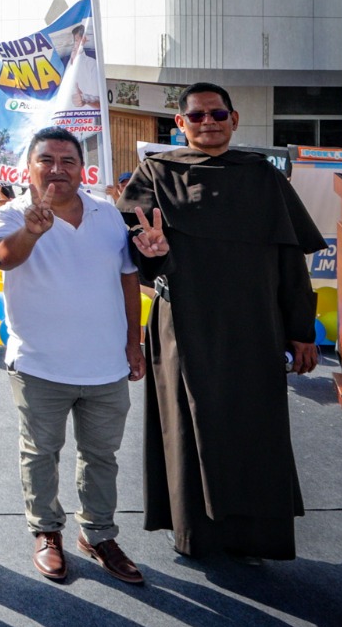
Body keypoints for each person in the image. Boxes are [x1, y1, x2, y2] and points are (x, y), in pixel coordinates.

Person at [118, 82, 325, 562]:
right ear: (181, 125)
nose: (207, 122)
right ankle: (195, 533)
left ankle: (255, 537)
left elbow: (290, 261)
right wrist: (150, 250)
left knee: (256, 429)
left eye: (217, 114)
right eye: (197, 116)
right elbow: (134, 245)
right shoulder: (156, 172)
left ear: (234, 120)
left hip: (257, 325)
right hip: (183, 325)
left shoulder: (264, 177)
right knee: (189, 426)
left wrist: (302, 332)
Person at [0, 127, 160, 585]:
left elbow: (128, 280)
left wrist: (133, 343)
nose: (57, 169)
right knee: (41, 454)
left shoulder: (109, 215)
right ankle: (46, 532)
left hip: (106, 367)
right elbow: (4, 260)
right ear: (28, 167)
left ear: (81, 168)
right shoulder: (9, 214)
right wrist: (31, 230)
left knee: (101, 456)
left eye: (67, 161)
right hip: (39, 367)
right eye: (46, 160)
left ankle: (99, 533)